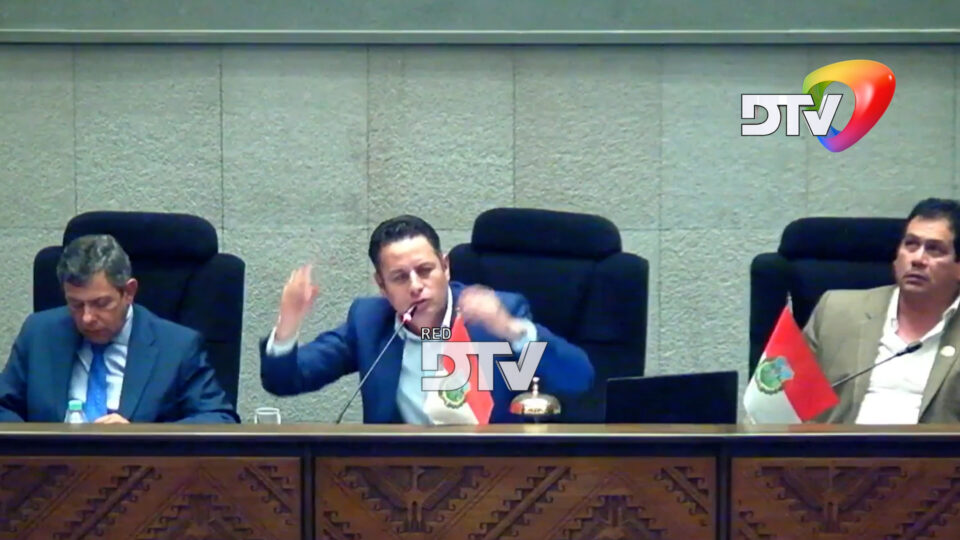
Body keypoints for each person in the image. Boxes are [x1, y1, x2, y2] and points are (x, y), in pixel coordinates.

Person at [260, 214, 594, 423]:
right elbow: (284, 381)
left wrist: (511, 330)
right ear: (382, 285)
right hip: (402, 484)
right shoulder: (370, 324)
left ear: (445, 267)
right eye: (399, 277)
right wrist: (288, 323)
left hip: (493, 477)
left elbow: (578, 379)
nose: (416, 286)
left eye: (425, 270)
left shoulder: (494, 320)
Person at [0, 234, 238, 423]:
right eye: (76, 304)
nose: (87, 318)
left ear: (129, 292)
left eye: (101, 304)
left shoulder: (177, 347)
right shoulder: (39, 334)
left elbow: (219, 419)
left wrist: (139, 437)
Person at [805, 198, 960, 423]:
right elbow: (780, 398)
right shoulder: (835, 311)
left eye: (934, 249)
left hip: (935, 447)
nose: (917, 259)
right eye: (910, 244)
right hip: (840, 444)